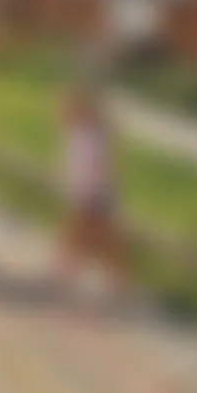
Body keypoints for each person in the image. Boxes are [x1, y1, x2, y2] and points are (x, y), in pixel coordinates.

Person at [56, 82, 129, 302]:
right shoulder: (78, 132)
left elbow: (102, 166)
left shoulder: (93, 134)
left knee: (92, 236)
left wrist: (92, 189)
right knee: (96, 237)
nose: (63, 112)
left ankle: (68, 273)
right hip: (87, 192)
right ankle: (115, 279)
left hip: (95, 194)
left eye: (69, 108)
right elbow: (73, 162)